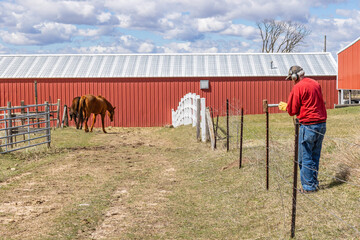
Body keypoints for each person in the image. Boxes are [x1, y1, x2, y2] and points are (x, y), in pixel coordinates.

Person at [279, 65, 327, 193]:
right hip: (321, 124)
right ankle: (313, 182)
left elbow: (293, 110)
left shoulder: (298, 87)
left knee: (304, 157)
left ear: (295, 77)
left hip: (308, 125)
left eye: (291, 79)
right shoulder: (315, 83)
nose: (292, 81)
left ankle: (308, 187)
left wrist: (286, 107)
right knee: (315, 155)